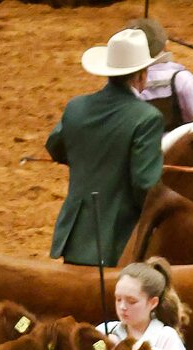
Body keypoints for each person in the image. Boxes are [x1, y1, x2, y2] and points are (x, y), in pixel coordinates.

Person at [46, 29, 163, 266]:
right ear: (141, 75)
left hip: (76, 235)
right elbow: (145, 185)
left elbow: (55, 146)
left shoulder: (76, 107)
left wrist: (88, 157)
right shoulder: (147, 118)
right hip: (118, 239)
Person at [98, 258, 189, 350]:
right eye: (118, 299)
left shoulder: (166, 338)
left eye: (132, 301)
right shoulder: (105, 330)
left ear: (153, 303)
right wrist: (105, 349)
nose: (122, 306)